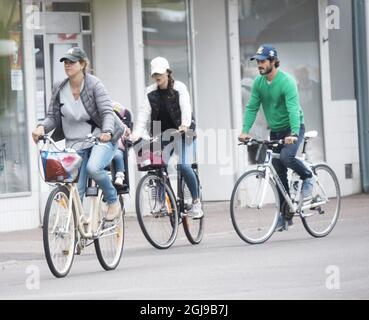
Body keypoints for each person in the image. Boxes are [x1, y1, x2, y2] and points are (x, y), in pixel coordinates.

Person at [32, 47, 126, 221]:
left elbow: (106, 112)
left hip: (101, 138)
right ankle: (75, 238)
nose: (67, 65)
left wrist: (107, 131)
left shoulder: (94, 84)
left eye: (72, 61)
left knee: (94, 168)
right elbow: (52, 116)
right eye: (65, 62)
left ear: (82, 64)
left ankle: (113, 201)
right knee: (75, 190)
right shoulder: (59, 87)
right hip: (75, 144)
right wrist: (41, 128)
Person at [238, 44, 314, 231]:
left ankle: (308, 176)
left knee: (288, 158)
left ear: (273, 61)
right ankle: (285, 214)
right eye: (258, 61)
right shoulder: (259, 83)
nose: (259, 64)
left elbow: (293, 109)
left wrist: (294, 134)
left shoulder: (287, 82)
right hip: (276, 130)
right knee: (279, 172)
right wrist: (245, 130)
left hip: (293, 128)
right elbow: (252, 108)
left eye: (263, 61)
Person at [131, 56, 203, 219]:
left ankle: (196, 201)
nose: (157, 77)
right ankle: (161, 202)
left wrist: (185, 124)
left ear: (168, 73)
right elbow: (143, 114)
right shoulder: (150, 92)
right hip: (161, 132)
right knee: (156, 164)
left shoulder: (179, 88)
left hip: (184, 132)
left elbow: (186, 107)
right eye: (155, 74)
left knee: (184, 166)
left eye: (161, 74)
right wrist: (136, 135)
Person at [112, 101, 132, 186]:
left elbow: (127, 138)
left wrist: (127, 134)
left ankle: (120, 175)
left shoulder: (123, 127)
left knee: (117, 155)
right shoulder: (103, 126)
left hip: (118, 149)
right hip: (105, 150)